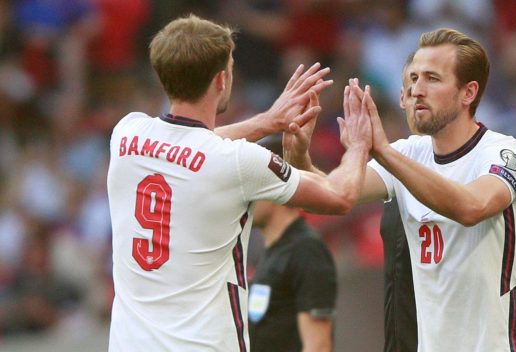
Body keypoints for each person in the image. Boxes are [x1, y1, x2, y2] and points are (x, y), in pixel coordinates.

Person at [106, 14, 372, 351]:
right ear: (221, 80)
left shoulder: (126, 134)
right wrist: (359, 146)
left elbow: (191, 145)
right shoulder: (239, 162)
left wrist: (267, 122)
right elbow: (342, 195)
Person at [285, 28, 516, 351]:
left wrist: (384, 152)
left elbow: (472, 207)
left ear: (468, 93)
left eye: (433, 79)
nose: (417, 90)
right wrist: (298, 154)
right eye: (413, 78)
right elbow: (332, 195)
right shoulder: (409, 153)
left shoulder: (505, 153)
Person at [379, 54, 516, 352]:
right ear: (402, 98)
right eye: (412, 84)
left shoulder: (493, 160)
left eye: (431, 81)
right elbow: (396, 290)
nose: (418, 93)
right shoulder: (396, 172)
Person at [248, 136, 337, 352]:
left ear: (278, 187)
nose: (246, 194)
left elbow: (317, 346)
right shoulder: (271, 252)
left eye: (253, 184)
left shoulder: (306, 249)